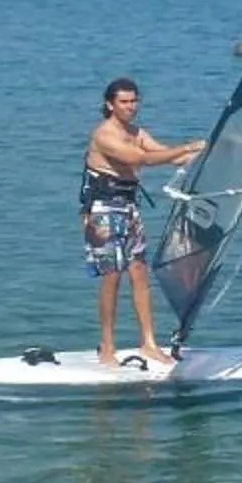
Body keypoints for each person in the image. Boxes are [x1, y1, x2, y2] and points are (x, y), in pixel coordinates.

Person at [81, 78, 206, 367]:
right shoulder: (104, 135)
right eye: (124, 102)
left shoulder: (137, 132)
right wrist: (185, 147)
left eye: (134, 101)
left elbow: (167, 156)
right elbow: (141, 159)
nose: (130, 107)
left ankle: (149, 342)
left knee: (139, 273)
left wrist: (204, 151)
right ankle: (108, 346)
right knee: (112, 277)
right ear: (110, 104)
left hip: (129, 208)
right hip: (103, 211)